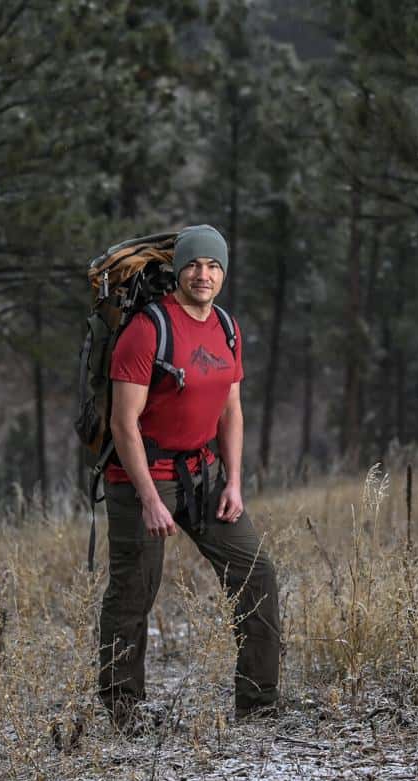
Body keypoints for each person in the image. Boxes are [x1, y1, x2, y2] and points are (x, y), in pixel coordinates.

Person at [98, 224, 281, 730]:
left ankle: (259, 706)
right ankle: (122, 711)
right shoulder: (147, 329)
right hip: (140, 479)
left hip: (204, 477)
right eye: (195, 265)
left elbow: (232, 409)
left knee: (256, 573)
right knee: (134, 591)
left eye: (215, 265)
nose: (205, 274)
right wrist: (150, 499)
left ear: (224, 272)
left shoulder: (226, 326)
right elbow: (122, 423)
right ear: (179, 271)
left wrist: (235, 481)